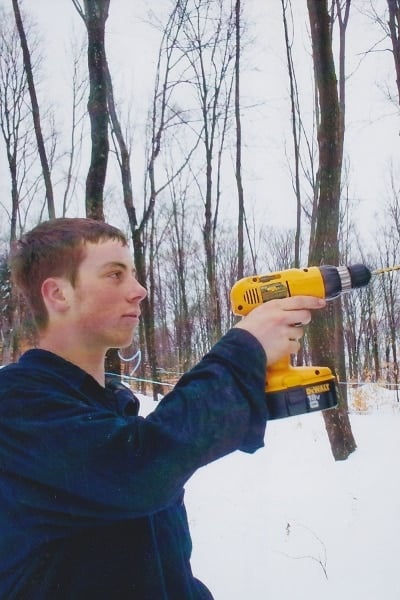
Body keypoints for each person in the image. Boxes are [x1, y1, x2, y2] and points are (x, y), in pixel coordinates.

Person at [0, 218, 325, 599]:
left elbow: (162, 561)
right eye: (114, 275)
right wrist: (244, 350)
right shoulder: (15, 404)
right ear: (58, 294)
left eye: (134, 274)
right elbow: (139, 470)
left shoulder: (110, 408)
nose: (139, 290)